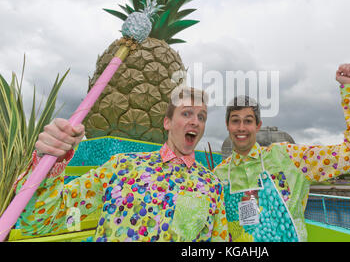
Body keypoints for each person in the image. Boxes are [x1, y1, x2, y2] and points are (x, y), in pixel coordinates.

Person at [14, 87, 229, 242]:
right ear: (167, 122)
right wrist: (51, 162)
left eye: (201, 116)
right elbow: (39, 221)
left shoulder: (211, 185)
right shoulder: (123, 166)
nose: (195, 121)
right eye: (186, 113)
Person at [213, 63, 350, 242]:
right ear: (227, 125)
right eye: (235, 121)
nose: (241, 128)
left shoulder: (290, 157)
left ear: (258, 125)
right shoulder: (218, 175)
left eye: (248, 121)